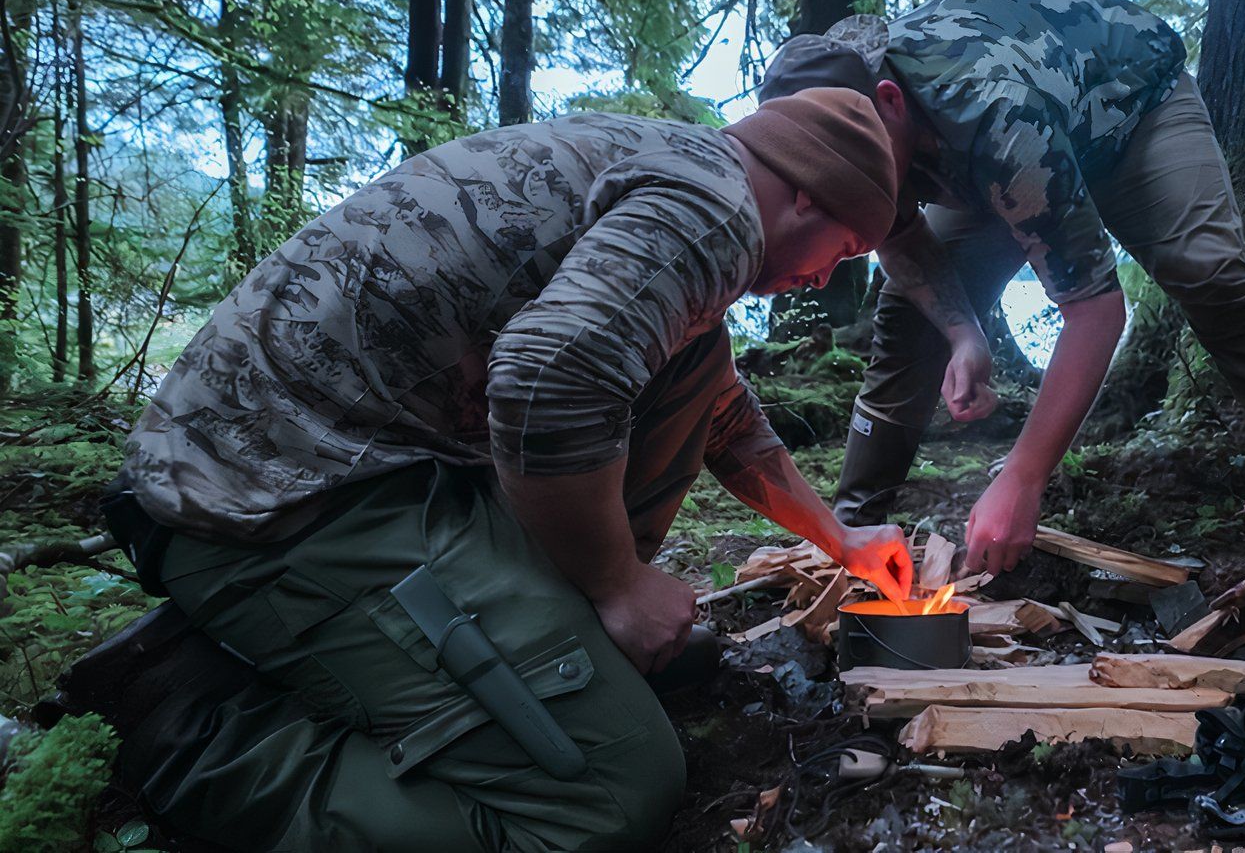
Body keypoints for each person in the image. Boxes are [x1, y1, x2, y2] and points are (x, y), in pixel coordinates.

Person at [92, 89, 914, 850]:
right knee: (610, 788)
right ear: (805, 192)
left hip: (358, 457)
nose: (822, 277)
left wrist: (838, 537)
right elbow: (551, 372)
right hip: (273, 495)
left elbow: (722, 416)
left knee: (693, 368)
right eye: (842, 250)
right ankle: (200, 729)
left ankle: (535, 649)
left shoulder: (670, 170)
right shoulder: (717, 209)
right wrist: (616, 584)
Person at [759, 0, 1245, 575]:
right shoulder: (851, 129)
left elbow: (1096, 312)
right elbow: (899, 235)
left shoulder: (996, 117)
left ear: (888, 102)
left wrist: (1022, 477)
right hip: (991, 146)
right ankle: (850, 535)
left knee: (1204, 268)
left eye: (856, 168)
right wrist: (963, 334)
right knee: (910, 313)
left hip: (1132, 107)